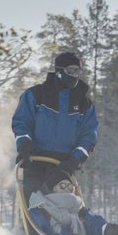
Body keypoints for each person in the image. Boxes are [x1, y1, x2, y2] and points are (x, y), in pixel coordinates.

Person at [12, 51, 98, 202]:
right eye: (70, 71)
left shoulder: (84, 104)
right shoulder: (36, 95)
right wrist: (24, 145)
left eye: (78, 71)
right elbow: (22, 122)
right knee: (33, 206)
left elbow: (88, 135)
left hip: (63, 165)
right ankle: (31, 225)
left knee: (66, 208)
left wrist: (74, 160)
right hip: (35, 159)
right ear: (59, 71)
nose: (75, 75)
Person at [28, 170, 118, 235]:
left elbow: (91, 223)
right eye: (62, 185)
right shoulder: (41, 208)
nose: (67, 188)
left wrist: (107, 230)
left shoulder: (78, 208)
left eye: (70, 186)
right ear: (53, 188)